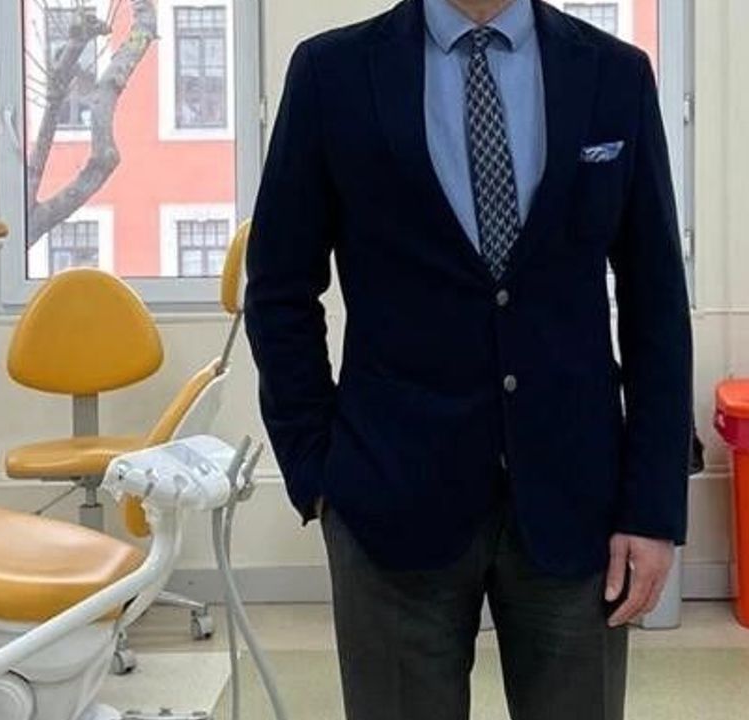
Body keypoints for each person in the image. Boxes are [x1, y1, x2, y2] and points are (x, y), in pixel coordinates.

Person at [244, 0, 693, 718]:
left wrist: (653, 506)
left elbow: (657, 304)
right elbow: (279, 288)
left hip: (577, 503)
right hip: (388, 496)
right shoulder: (333, 74)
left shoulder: (614, 75)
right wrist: (317, 471)